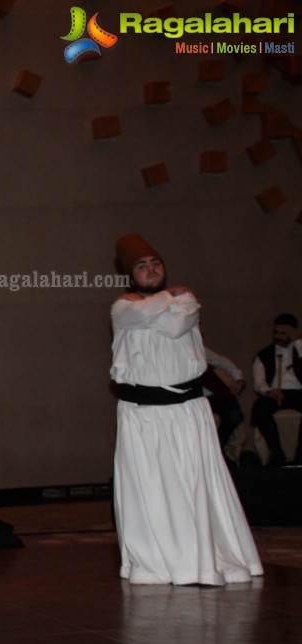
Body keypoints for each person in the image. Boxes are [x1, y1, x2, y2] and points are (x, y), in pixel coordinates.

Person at [109, 234, 262, 585]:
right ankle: (154, 562)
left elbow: (177, 326)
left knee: (195, 482)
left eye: (156, 264)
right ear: (130, 275)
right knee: (150, 485)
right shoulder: (123, 307)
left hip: (186, 410)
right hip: (142, 414)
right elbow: (142, 314)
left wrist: (161, 304)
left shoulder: (186, 300)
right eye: (142, 266)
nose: (151, 270)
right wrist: (168, 296)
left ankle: (207, 557)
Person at [250, 313, 302, 466]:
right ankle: (277, 453)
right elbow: (258, 382)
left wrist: (298, 341)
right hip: (274, 392)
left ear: (293, 332)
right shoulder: (263, 354)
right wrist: (268, 391)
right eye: (275, 332)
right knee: (260, 408)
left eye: (283, 333)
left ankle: (300, 456)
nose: (278, 336)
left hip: (299, 392)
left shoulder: (300, 348)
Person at [201, 346, 245, 458]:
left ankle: (217, 451)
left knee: (235, 415)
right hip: (193, 398)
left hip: (214, 393)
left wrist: (239, 380)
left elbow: (224, 363)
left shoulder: (196, 347)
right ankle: (215, 454)